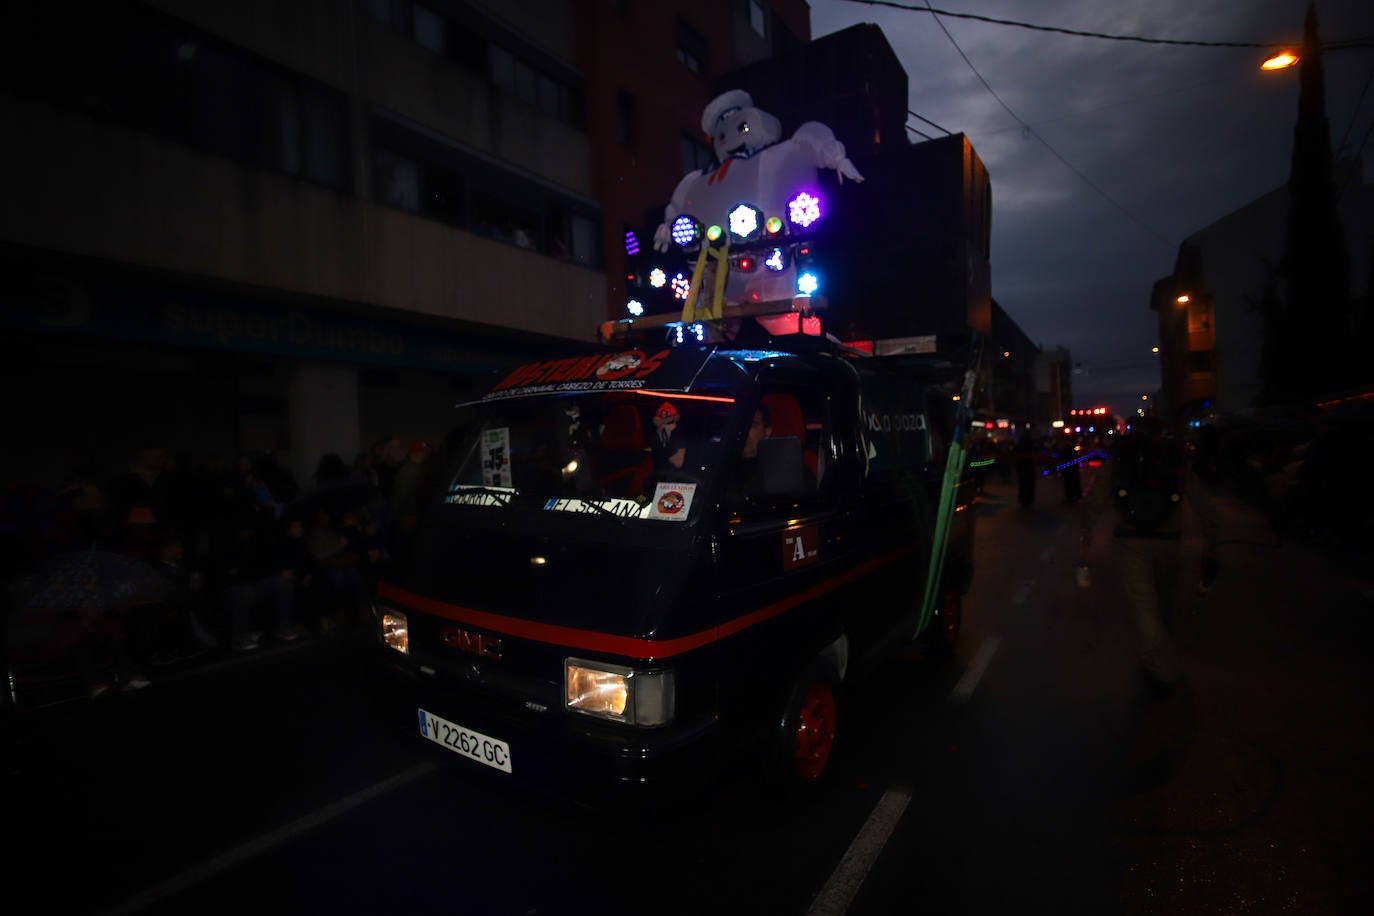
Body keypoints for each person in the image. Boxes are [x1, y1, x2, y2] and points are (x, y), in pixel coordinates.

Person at [1081, 416, 1220, 697]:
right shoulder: (1175, 457)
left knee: (1144, 605)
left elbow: (1096, 497)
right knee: (1164, 602)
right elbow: (1199, 498)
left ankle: (1160, 667)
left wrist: (1087, 533)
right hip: (1169, 540)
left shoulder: (1120, 457)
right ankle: (1159, 655)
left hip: (1130, 541)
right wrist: (1212, 537)